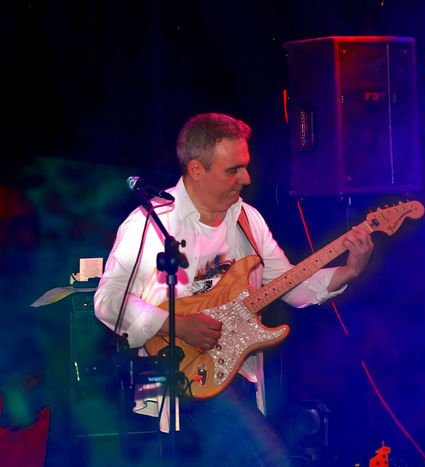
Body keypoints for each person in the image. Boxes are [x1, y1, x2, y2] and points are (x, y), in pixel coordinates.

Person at [94, 113, 373, 465]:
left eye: (245, 166)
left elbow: (291, 285)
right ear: (197, 170)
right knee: (271, 460)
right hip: (181, 378)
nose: (246, 178)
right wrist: (174, 324)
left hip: (239, 375)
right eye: (233, 170)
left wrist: (349, 270)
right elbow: (108, 301)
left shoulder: (247, 219)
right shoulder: (150, 224)